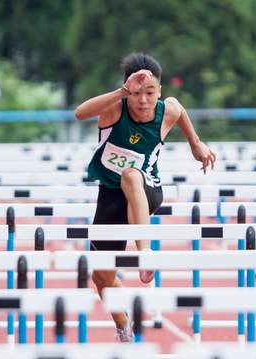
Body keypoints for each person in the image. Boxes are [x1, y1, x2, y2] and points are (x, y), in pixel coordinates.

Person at [74, 52, 216, 342]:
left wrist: (195, 144)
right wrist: (122, 91)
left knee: (132, 175)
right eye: (136, 93)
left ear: (159, 91)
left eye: (150, 93)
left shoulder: (168, 110)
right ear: (128, 92)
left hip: (147, 190)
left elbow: (180, 111)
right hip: (111, 196)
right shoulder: (115, 109)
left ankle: (144, 253)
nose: (143, 100)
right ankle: (123, 325)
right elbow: (80, 113)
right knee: (101, 276)